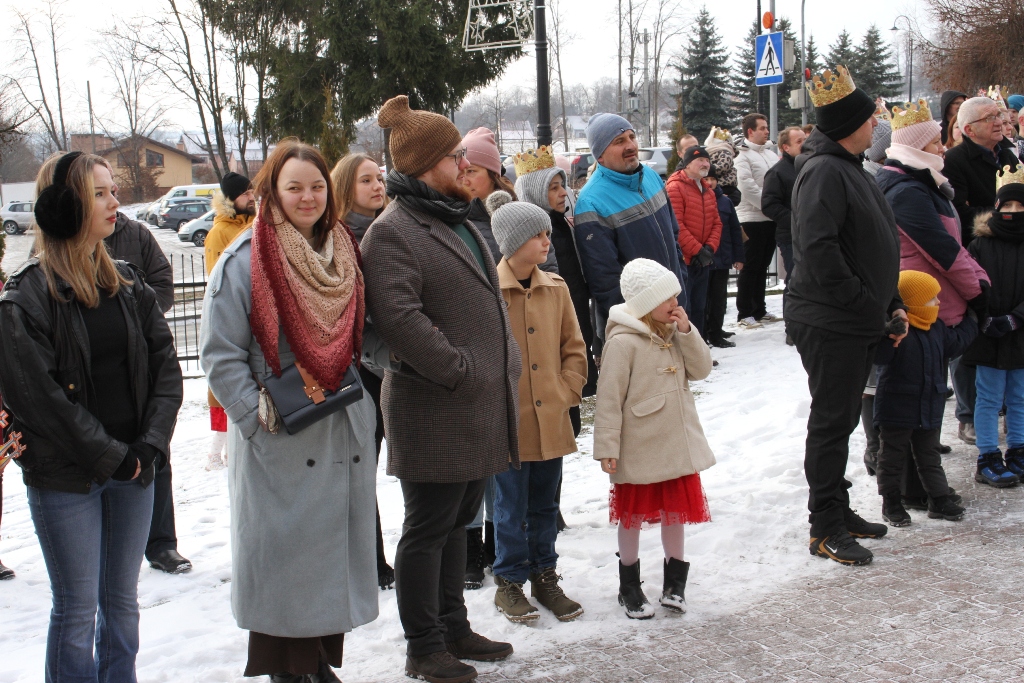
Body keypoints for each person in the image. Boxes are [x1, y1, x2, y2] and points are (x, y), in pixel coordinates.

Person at [200, 140, 378, 683]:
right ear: (272, 192)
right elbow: (219, 355)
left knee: (326, 565)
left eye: (317, 186)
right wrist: (257, 422)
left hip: (338, 426)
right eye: (294, 187)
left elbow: (363, 334)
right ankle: (290, 671)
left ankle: (317, 663)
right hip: (282, 440)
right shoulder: (244, 261)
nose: (308, 197)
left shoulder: (343, 250)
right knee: (288, 569)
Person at [0, 151, 182, 681]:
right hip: (67, 479)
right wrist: (111, 456)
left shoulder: (129, 284)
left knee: (122, 603)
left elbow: (166, 369)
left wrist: (149, 445)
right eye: (98, 193)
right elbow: (40, 403)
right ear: (64, 206)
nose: (113, 202)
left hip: (134, 470)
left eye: (113, 190)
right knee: (77, 610)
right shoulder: (24, 298)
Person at [361, 95, 518, 683]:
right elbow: (400, 319)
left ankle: (454, 627)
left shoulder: (455, 218)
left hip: (476, 406)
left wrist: (505, 361)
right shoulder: (393, 231)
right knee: (427, 530)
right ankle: (423, 646)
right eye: (455, 156)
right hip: (435, 407)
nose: (465, 164)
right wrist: (459, 369)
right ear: (428, 164)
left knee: (458, 524)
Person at [786, 65, 906, 566]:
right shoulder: (824, 171)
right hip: (831, 320)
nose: (876, 123)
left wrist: (892, 302)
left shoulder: (848, 166)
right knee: (832, 423)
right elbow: (820, 251)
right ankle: (825, 526)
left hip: (853, 318)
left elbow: (872, 246)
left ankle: (838, 507)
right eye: (870, 117)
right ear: (849, 125)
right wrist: (867, 304)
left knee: (841, 422)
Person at [484, 191, 587, 624]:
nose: (547, 241)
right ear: (512, 242)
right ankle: (509, 581)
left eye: (547, 232)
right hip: (508, 424)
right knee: (509, 508)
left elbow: (574, 347)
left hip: (551, 419)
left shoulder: (556, 289)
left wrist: (566, 391)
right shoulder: (488, 291)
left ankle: (545, 574)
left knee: (546, 505)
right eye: (537, 235)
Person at [594, 258, 714, 619]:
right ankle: (629, 586)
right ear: (647, 303)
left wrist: (687, 331)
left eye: (676, 295)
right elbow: (609, 399)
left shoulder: (675, 333)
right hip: (639, 447)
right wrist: (607, 447)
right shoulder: (622, 343)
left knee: (675, 513)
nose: (676, 302)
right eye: (667, 298)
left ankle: (675, 584)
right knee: (631, 516)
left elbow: (701, 370)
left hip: (675, 446)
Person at [876, 99, 991, 457]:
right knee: (917, 392)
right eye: (935, 142)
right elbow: (943, 251)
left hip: (936, 300)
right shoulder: (907, 190)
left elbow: (953, 246)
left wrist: (979, 278)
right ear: (916, 146)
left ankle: (922, 460)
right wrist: (979, 291)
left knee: (930, 389)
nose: (942, 148)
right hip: (924, 303)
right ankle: (914, 469)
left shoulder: (921, 181)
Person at [330, 152, 397, 592]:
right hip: (360, 372)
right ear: (344, 188)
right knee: (360, 469)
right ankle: (371, 560)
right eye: (365, 180)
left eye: (379, 178)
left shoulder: (390, 229)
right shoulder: (339, 239)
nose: (377, 186)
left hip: (394, 366)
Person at [573, 113, 688, 346]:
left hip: (676, 308)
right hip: (642, 328)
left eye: (631, 137)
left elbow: (674, 238)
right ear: (600, 155)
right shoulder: (591, 201)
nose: (630, 145)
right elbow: (605, 279)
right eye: (619, 141)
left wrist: (682, 283)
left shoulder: (651, 177)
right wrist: (642, 323)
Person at [873, 271, 977, 527]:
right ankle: (891, 502)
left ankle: (939, 499)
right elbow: (879, 357)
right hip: (897, 406)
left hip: (929, 405)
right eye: (932, 298)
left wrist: (972, 322)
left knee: (930, 456)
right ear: (914, 303)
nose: (938, 302)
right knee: (891, 458)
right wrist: (887, 335)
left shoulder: (936, 327)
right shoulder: (899, 331)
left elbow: (955, 343)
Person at [513, 146, 598, 422]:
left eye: (562, 185)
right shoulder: (535, 236)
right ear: (536, 192)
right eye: (554, 187)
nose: (564, 193)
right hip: (555, 330)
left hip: (574, 319)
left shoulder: (559, 223)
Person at [963, 169, 1024, 488]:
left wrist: (1016, 317)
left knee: (1019, 396)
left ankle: (1018, 449)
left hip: (1020, 333)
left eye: (1020, 207)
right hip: (987, 334)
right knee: (987, 397)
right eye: (1007, 206)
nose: (1013, 212)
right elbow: (969, 282)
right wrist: (984, 316)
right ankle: (987, 455)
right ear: (997, 208)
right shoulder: (979, 245)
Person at [202, 172, 256, 473]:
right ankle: (216, 451)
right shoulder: (219, 233)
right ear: (232, 199)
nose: (251, 197)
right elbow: (218, 280)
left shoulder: (256, 223)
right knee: (230, 389)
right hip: (237, 318)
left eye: (252, 191)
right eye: (245, 193)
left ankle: (226, 449)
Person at [943, 96, 1021, 246]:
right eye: (989, 118)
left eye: (998, 115)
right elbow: (960, 213)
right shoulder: (953, 160)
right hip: (982, 246)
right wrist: (1009, 214)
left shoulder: (1006, 154)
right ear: (969, 130)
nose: (999, 122)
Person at [665, 145, 721, 339]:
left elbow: (717, 222)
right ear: (687, 164)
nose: (705, 164)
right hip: (685, 261)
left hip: (702, 260)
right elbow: (676, 225)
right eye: (700, 160)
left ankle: (699, 346)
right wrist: (697, 250)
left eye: (707, 160)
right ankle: (685, 348)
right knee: (684, 308)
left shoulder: (708, 191)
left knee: (699, 307)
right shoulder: (675, 188)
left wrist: (709, 248)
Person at [734, 113, 781, 328]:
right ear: (750, 131)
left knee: (762, 266)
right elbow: (747, 186)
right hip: (751, 218)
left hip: (770, 218)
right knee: (750, 267)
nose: (767, 131)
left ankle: (759, 309)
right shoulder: (742, 157)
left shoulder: (770, 154)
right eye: (762, 128)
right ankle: (744, 313)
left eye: (766, 127)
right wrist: (770, 205)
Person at [761, 126, 807, 331]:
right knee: (795, 281)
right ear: (785, 147)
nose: (805, 144)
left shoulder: (810, 166)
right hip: (791, 236)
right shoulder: (778, 172)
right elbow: (769, 205)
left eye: (805, 139)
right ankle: (793, 326)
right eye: (799, 141)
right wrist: (797, 219)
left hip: (812, 234)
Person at [704, 168, 744, 348]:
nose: (710, 182)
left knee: (719, 299)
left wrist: (738, 257)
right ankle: (705, 331)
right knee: (705, 299)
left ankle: (716, 331)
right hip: (705, 259)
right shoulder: (700, 199)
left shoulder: (725, 202)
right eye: (706, 179)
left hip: (723, 257)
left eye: (713, 179)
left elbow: (735, 230)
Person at [703, 127, 741, 206]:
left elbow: (724, 165)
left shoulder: (725, 150)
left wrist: (709, 170)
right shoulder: (711, 151)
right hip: (715, 184)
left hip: (725, 184)